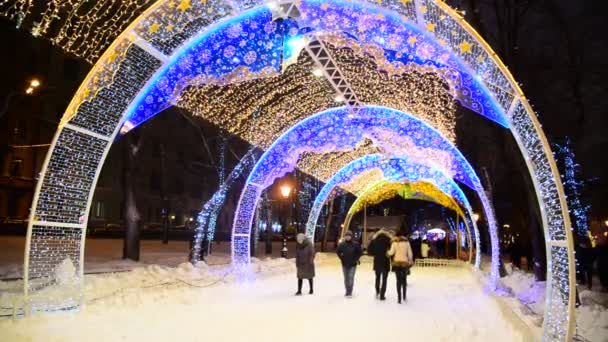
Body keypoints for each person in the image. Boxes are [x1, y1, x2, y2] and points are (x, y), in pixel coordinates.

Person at [387, 231, 414, 303]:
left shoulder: (394, 243)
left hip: (397, 263)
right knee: (404, 280)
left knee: (398, 281)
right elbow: (410, 253)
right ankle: (404, 296)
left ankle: (399, 298)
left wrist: (387, 252)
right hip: (405, 263)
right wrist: (410, 260)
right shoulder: (407, 243)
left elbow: (391, 253)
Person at [367, 229, 393, 300]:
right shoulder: (389, 240)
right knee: (384, 279)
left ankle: (377, 291)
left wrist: (375, 253)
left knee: (377, 277)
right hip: (385, 262)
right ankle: (382, 295)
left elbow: (369, 251)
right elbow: (392, 252)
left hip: (377, 261)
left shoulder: (374, 240)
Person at [337, 230, 363, 297]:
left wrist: (356, 258)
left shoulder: (355, 244)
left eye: (349, 236)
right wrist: (341, 258)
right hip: (344, 264)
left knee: (351, 277)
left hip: (353, 264)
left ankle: (349, 291)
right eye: (346, 236)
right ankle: (347, 290)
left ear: (351, 237)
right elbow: (338, 252)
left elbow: (360, 252)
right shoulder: (342, 244)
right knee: (346, 278)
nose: (348, 237)